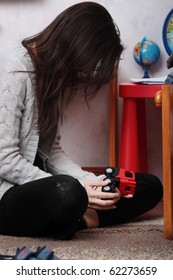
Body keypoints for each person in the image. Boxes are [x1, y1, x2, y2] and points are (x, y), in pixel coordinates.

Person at [0, 2, 163, 240]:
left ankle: (81, 219)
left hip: (47, 186)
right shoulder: (14, 70)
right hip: (8, 192)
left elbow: (52, 152)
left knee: (149, 186)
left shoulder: (50, 74)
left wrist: (90, 181)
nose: (81, 75)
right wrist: (79, 189)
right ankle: (80, 216)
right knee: (69, 193)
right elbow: (4, 160)